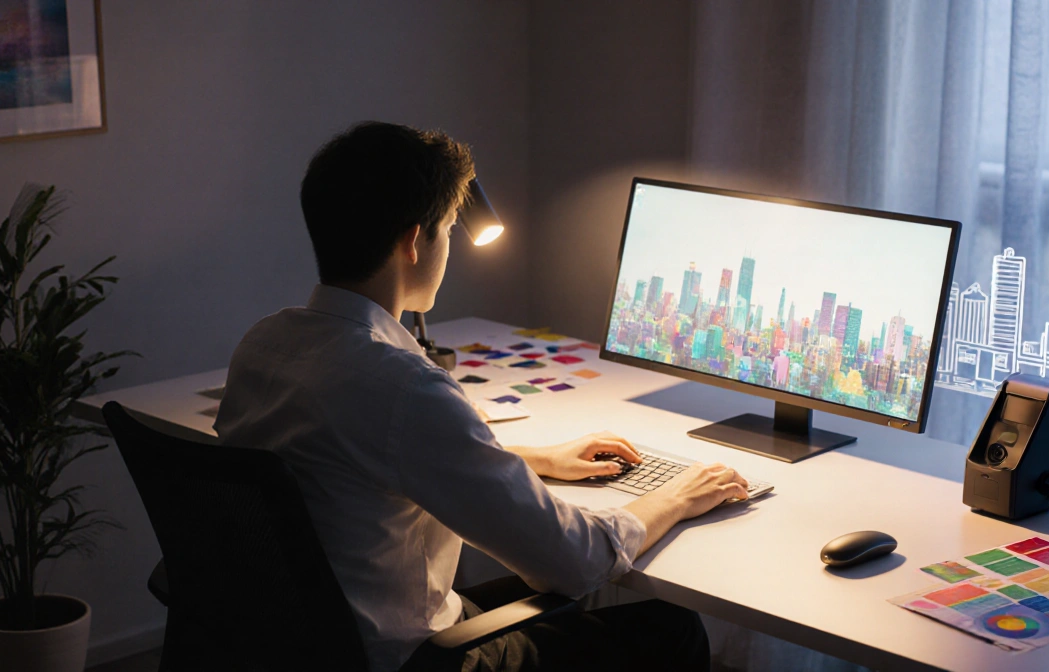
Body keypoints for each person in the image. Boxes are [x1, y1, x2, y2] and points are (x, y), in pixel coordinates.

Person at [214, 122, 749, 672]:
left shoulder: (264, 344)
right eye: (449, 228)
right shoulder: (403, 386)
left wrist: (534, 460)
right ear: (414, 242)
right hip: (411, 659)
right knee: (670, 628)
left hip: (306, 644)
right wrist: (675, 498)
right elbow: (574, 561)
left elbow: (360, 460)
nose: (452, 245)